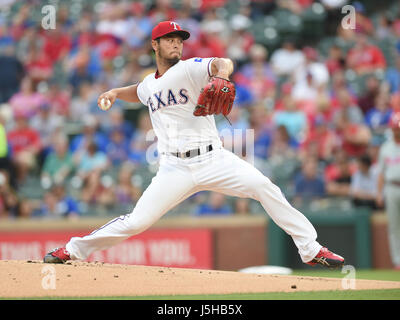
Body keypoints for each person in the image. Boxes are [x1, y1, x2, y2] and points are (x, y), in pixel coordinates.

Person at [43, 21, 344, 268]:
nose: (176, 44)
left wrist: (223, 74)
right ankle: (73, 251)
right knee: (136, 222)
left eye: (179, 40)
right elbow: (140, 91)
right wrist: (113, 92)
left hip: (213, 159)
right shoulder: (150, 83)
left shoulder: (189, 68)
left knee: (266, 187)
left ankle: (310, 248)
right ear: (155, 45)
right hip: (174, 168)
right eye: (169, 39)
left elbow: (221, 63)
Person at [376, 112, 400, 270]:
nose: (396, 131)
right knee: (394, 227)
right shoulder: (385, 147)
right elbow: (381, 173)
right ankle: (398, 261)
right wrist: (379, 193)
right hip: (391, 187)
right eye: (395, 128)